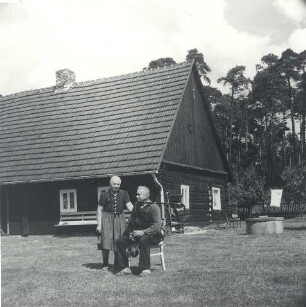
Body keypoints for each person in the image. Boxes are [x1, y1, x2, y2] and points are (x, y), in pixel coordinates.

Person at [115, 185, 162, 277]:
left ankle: (145, 269)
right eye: (136, 194)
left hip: (153, 234)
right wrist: (130, 233)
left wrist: (143, 232)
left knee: (143, 240)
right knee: (120, 241)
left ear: (146, 196)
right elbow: (131, 222)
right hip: (137, 234)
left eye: (138, 194)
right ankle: (124, 268)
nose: (136, 196)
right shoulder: (136, 206)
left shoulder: (154, 207)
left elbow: (156, 226)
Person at [96, 176, 133, 270]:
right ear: (110, 183)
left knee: (119, 240)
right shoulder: (104, 195)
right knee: (105, 240)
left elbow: (129, 206)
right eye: (114, 184)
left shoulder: (124, 193)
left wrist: (138, 210)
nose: (116, 186)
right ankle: (105, 264)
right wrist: (99, 225)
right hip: (107, 218)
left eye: (118, 184)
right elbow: (99, 210)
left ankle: (117, 263)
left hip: (120, 218)